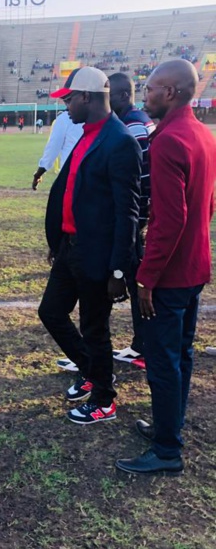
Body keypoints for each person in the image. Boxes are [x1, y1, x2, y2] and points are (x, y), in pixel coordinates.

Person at [116, 60, 216, 475]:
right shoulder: (203, 135)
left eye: (153, 88)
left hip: (171, 275)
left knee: (161, 360)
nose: (146, 95)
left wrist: (147, 278)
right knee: (182, 353)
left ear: (171, 92)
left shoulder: (169, 140)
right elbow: (207, 205)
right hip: (195, 266)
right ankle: (167, 426)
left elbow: (168, 220)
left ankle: (167, 450)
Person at [38, 67, 142, 425]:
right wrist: (58, 239)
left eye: (69, 99)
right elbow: (69, 190)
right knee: (50, 312)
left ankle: (104, 399)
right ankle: (94, 371)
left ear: (87, 97)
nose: (65, 107)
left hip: (97, 257)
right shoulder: (85, 133)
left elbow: (127, 213)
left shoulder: (120, 141)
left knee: (94, 328)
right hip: (70, 248)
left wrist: (118, 271)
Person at [108, 72, 156, 367]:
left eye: (110, 95)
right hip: (136, 216)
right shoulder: (135, 121)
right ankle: (142, 343)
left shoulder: (134, 125)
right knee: (133, 276)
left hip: (133, 217)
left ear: (124, 95)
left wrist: (136, 218)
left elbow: (141, 179)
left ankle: (144, 345)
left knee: (133, 277)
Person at [32, 74, 84, 190]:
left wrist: (38, 173)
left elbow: (52, 150)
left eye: (69, 100)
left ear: (84, 96)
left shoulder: (65, 118)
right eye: (65, 101)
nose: (66, 105)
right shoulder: (107, 120)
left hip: (72, 179)